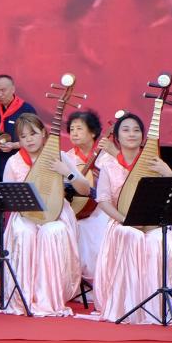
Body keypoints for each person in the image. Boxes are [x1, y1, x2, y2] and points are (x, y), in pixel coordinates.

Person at [0, 113, 86, 316]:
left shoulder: (59, 156)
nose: (29, 139)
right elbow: (5, 198)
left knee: (52, 232)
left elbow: (84, 189)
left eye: (33, 134)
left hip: (56, 213)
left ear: (44, 134)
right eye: (23, 136)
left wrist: (67, 172)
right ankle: (22, 295)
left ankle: (48, 298)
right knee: (24, 232)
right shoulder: (14, 162)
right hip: (26, 215)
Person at [92, 113, 172, 324]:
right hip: (121, 222)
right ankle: (128, 305)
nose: (131, 134)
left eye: (136, 130)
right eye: (126, 130)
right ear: (117, 137)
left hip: (151, 222)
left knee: (160, 239)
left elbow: (169, 197)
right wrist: (125, 219)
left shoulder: (154, 163)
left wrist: (168, 174)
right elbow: (103, 201)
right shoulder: (109, 165)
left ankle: (156, 306)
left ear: (143, 137)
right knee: (132, 235)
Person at [0, 74, 37, 263]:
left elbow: (36, 138)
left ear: (13, 89)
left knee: (25, 208)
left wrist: (15, 145)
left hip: (23, 167)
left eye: (3, 90)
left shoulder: (26, 110)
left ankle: (24, 253)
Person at [66, 111, 109, 285]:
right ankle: (74, 282)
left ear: (93, 132)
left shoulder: (105, 157)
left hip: (100, 209)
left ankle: (100, 282)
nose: (74, 133)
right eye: (71, 129)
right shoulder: (67, 157)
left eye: (79, 129)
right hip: (75, 210)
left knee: (101, 228)